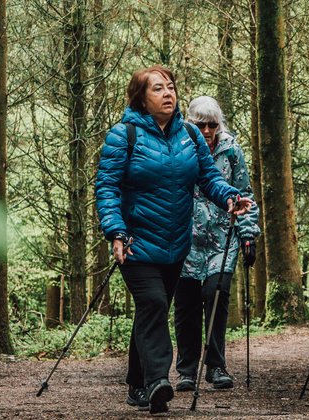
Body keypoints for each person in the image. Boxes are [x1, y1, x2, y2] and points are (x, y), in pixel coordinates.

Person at [95, 66, 253, 414]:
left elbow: (209, 177)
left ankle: (137, 384)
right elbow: (106, 187)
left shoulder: (190, 136)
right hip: (136, 241)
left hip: (176, 244)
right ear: (141, 98)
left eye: (171, 87)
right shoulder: (124, 135)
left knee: (152, 310)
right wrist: (115, 231)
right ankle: (157, 382)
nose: (168, 94)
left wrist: (229, 197)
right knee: (152, 303)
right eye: (158, 89)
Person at [172, 96, 260, 392]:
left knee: (217, 294)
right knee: (185, 304)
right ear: (190, 124)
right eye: (201, 124)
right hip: (185, 239)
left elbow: (245, 192)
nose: (207, 130)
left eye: (212, 124)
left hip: (222, 238)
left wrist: (248, 234)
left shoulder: (232, 151)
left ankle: (216, 365)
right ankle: (186, 369)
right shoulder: (179, 148)